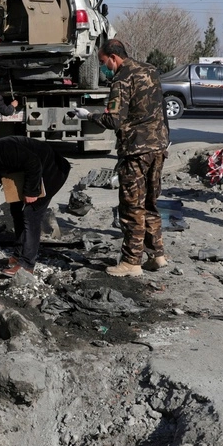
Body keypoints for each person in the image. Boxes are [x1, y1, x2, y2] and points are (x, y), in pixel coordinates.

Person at [79, 39, 168, 277]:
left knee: (131, 207)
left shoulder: (121, 79)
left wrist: (89, 116)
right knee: (150, 202)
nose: (103, 67)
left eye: (103, 62)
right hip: (158, 147)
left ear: (113, 57)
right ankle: (157, 254)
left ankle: (131, 262)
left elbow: (114, 120)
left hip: (136, 151)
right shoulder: (150, 70)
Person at [0, 137, 71, 277]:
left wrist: (31, 191)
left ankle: (27, 264)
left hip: (51, 170)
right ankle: (19, 255)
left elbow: (33, 163)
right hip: (28, 174)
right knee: (16, 209)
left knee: (31, 214)